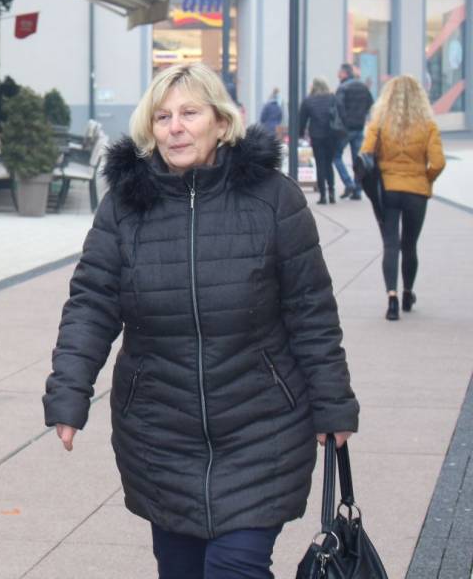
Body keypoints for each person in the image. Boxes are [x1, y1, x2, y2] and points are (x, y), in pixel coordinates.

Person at [43, 62, 358, 579]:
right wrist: (68, 393)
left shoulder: (273, 198)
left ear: (221, 122)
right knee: (181, 569)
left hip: (261, 427)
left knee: (236, 566)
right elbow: (92, 304)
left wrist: (333, 402)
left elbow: (311, 310)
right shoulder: (124, 207)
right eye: (162, 116)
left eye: (190, 113)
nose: (175, 127)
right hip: (160, 432)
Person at [360, 74, 445, 321]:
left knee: (390, 244)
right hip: (416, 191)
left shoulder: (379, 123)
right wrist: (425, 178)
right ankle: (408, 293)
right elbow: (438, 162)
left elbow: (365, 154)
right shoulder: (428, 125)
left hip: (388, 189)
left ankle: (392, 298)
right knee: (410, 244)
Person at [333, 63, 375, 200]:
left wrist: (344, 120)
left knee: (336, 156)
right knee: (357, 160)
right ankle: (358, 189)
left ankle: (348, 183)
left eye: (339, 73)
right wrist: (362, 115)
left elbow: (338, 105)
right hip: (359, 127)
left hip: (346, 129)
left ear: (345, 73)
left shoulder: (342, 88)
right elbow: (370, 103)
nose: (338, 75)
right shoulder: (363, 87)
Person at [298, 77, 340, 204]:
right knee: (329, 163)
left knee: (320, 164)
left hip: (316, 135)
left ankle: (322, 195)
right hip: (331, 135)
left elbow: (302, 120)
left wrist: (300, 134)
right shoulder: (332, 98)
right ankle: (331, 192)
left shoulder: (308, 100)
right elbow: (341, 114)